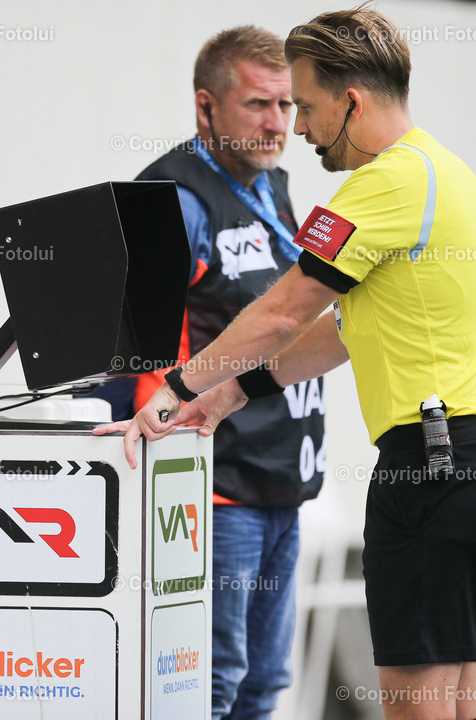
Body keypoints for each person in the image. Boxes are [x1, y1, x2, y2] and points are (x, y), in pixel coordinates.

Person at [96, 7, 476, 720]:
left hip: (434, 464)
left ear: (351, 101)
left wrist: (181, 386)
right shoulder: (445, 170)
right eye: (273, 105)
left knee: (414, 705)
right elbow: (347, 327)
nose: (296, 127)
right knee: (463, 703)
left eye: (303, 106)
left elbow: (283, 311)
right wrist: (241, 387)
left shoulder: (380, 185)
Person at [106, 25, 327, 720]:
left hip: (280, 483)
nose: (277, 124)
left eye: (287, 106)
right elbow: (124, 353)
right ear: (206, 108)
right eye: (258, 105)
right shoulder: (173, 197)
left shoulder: (276, 187)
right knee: (208, 685)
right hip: (210, 487)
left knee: (262, 686)